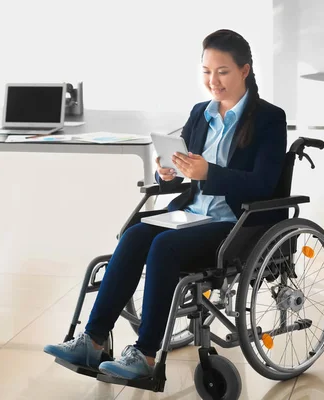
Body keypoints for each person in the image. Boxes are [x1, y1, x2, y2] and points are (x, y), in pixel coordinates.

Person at [44, 28, 287, 380]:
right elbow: (180, 167)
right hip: (195, 215)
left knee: (163, 246)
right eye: (206, 71)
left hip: (239, 223)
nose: (213, 81)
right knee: (135, 235)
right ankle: (92, 341)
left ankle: (145, 356)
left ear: (245, 70)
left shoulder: (268, 118)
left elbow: (264, 185)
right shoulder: (201, 113)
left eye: (222, 72)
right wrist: (168, 174)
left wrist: (209, 172)